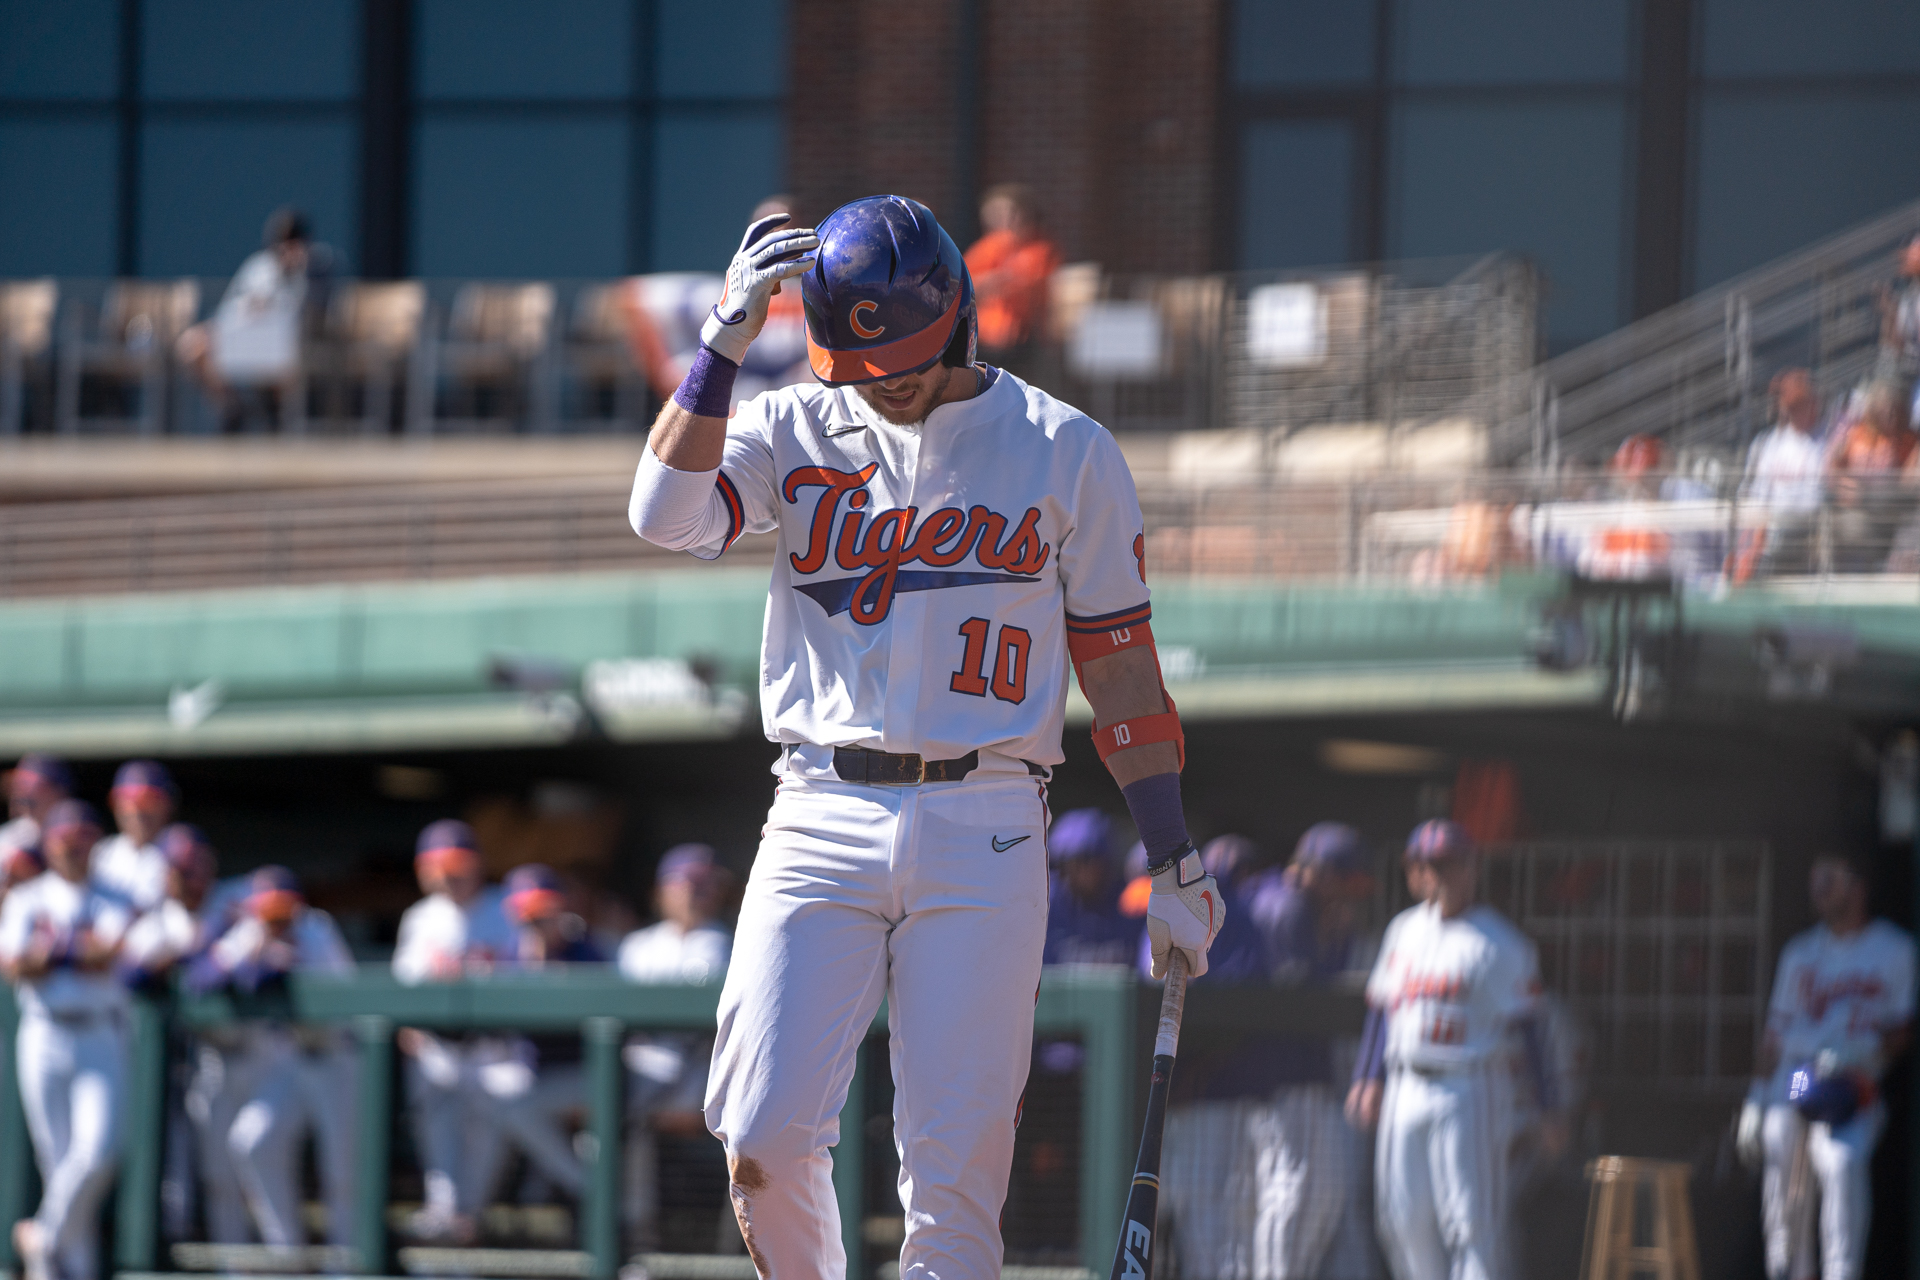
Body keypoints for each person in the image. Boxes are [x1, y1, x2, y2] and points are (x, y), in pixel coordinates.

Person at [627, 194, 1221, 1274]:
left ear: (957, 317)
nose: (883, 380)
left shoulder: (1064, 447)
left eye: (902, 355)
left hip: (986, 813)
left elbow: (1122, 665)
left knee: (953, 1183)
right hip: (819, 803)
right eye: (859, 362)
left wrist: (1171, 850)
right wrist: (721, 343)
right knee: (760, 1136)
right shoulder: (791, 421)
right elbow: (663, 514)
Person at [1346, 820, 1564, 1280]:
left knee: (1472, 1223)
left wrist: (1548, 1106)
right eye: (1423, 864)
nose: (1434, 874)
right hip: (1404, 1084)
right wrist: (1368, 1077)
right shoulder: (1403, 929)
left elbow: (1531, 1029)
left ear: (1470, 868)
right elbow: (1382, 1010)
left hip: (1469, 1085)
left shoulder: (1499, 941)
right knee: (1401, 1220)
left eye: (1445, 863)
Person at [1160, 829, 1379, 1280]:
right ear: (1322, 873)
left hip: (1266, 1088)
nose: (1350, 897)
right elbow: (1291, 998)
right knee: (1288, 1200)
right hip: (1284, 1086)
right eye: (1344, 883)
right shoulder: (1286, 904)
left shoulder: (1286, 904)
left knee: (1277, 1205)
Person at [1735, 851, 1914, 1280]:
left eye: (1830, 880)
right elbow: (1774, 1035)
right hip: (1801, 1074)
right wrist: (1756, 1100)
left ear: (1857, 886)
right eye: (1816, 880)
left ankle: (1841, 1273)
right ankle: (1788, 1267)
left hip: (1854, 1079)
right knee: (1780, 1135)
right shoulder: (1800, 953)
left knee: (1840, 1162)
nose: (1819, 890)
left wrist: (1864, 1050)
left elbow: (1903, 1029)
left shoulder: (1895, 949)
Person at [189, 866, 357, 1251]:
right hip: (294, 1060)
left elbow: (340, 999)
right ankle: (286, 1257)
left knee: (343, 1172)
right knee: (253, 1142)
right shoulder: (250, 931)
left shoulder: (317, 930)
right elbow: (201, 981)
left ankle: (346, 1266)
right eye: (268, 912)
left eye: (284, 911)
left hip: (340, 1057)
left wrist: (283, 965)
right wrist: (254, 962)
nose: (277, 921)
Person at [0, 801, 131, 1280]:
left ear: (95, 844)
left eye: (82, 841)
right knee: (55, 1160)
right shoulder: (28, 897)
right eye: (64, 841)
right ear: (50, 845)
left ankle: (45, 1236)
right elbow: (15, 965)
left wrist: (52, 951)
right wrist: (75, 949)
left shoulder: (114, 894)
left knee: (99, 1153)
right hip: (44, 1030)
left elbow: (108, 954)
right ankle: (67, 1269)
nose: (73, 850)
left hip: (99, 1030)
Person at [391, 819, 518, 1242]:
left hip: (493, 1050)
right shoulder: (420, 917)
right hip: (437, 1049)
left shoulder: (505, 908)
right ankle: (446, 1235)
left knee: (480, 1162)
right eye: (439, 867)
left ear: (477, 864)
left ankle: (469, 1230)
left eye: (458, 866)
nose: (449, 876)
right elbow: (402, 985)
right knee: (440, 1165)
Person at [115, 824, 243, 1243]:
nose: (189, 878)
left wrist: (198, 952)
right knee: (194, 1167)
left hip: (241, 1049)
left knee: (243, 1160)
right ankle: (198, 1249)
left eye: (195, 868)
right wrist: (182, 953)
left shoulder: (231, 902)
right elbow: (129, 974)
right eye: (180, 870)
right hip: (180, 1059)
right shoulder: (159, 919)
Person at [616, 845, 733, 1251]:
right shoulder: (637, 945)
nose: (694, 894)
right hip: (638, 1065)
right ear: (662, 890)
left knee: (626, 1116)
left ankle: (636, 1230)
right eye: (685, 884)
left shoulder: (728, 944)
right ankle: (629, 1225)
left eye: (704, 885)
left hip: (700, 1068)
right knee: (617, 1113)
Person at [177, 207, 339, 433]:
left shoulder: (319, 268)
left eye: (292, 243)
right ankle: (231, 407)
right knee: (192, 344)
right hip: (244, 336)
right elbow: (229, 310)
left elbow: (318, 312)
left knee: (287, 355)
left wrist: (301, 271)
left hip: (292, 343)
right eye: (282, 244)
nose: (286, 250)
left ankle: (277, 415)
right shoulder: (258, 267)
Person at [1735, 369, 1829, 579]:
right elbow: (1753, 492)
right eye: (1789, 407)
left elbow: (1815, 498)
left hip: (1802, 529)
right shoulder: (1768, 442)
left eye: (1799, 405)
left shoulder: (1827, 439)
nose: (1792, 412)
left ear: (1814, 402)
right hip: (1765, 530)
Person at [963, 184, 1062, 373]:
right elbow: (964, 286)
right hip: (985, 336)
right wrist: (988, 282)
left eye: (1009, 212)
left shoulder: (1040, 250)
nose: (1004, 219)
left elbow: (1040, 287)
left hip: (1025, 336)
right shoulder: (986, 248)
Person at [1042, 809, 1143, 965]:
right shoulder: (1048, 903)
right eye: (1066, 864)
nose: (1073, 872)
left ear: (1104, 861)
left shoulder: (1131, 903)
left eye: (1083, 862)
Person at [91, 760, 175, 912]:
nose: (136, 811)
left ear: (167, 804)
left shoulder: (182, 852)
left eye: (147, 800)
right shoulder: (101, 854)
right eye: (126, 800)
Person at [0, 755, 72, 871]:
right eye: (19, 784)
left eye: (32, 785)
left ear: (59, 791)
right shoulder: (7, 839)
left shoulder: (81, 832)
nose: (22, 792)